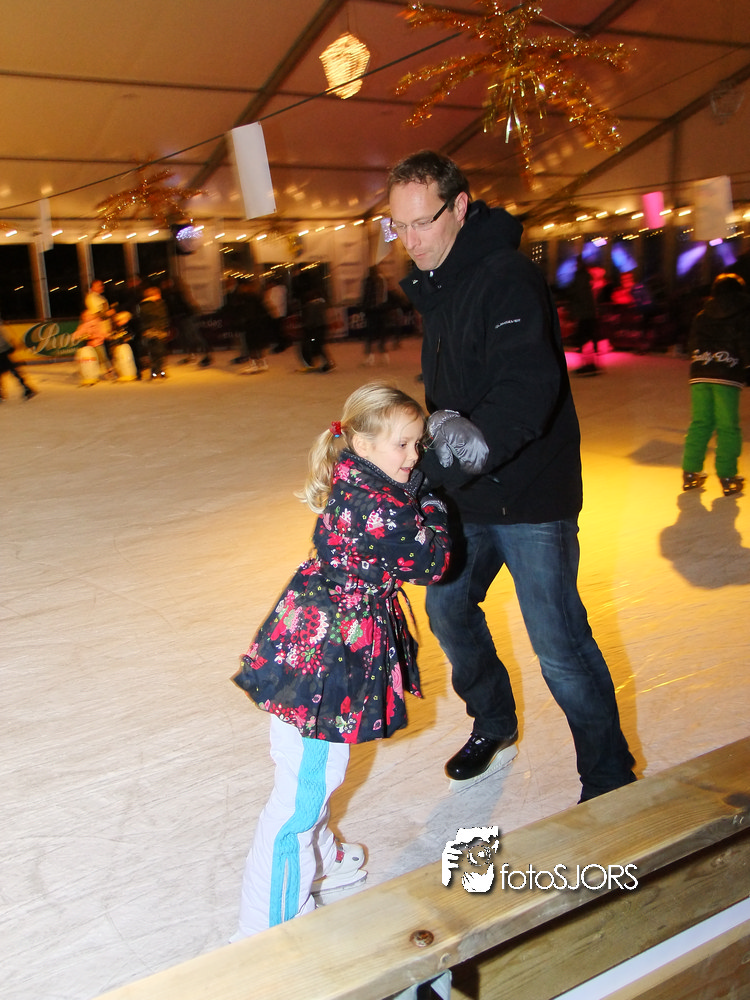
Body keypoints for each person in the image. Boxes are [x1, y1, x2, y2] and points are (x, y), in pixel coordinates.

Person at [387, 149, 636, 803]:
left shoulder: (505, 278)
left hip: (531, 495)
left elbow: (528, 388)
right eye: (398, 226)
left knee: (558, 643)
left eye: (422, 222)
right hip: (470, 495)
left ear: (459, 207)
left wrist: (450, 458)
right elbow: (453, 397)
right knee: (447, 608)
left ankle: (609, 778)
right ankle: (494, 722)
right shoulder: (439, 284)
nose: (411, 240)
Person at [230, 383, 451, 938]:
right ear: (363, 443)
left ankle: (321, 859)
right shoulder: (379, 505)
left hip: (323, 636)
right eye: (403, 445)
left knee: (314, 769)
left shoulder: (357, 476)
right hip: (330, 655)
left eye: (418, 445)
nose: (414, 456)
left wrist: (416, 487)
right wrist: (436, 502)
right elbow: (432, 560)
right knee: (302, 791)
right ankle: (267, 925)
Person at [681, 272, 750, 496]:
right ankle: (727, 475)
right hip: (727, 374)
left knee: (700, 422)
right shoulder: (744, 313)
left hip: (700, 372)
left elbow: (692, 344)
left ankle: (690, 471)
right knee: (727, 425)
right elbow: (745, 343)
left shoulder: (702, 315)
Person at [567, 257, 602, 376]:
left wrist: (574, 312)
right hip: (590, 313)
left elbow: (578, 296)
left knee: (583, 339)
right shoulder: (587, 278)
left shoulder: (579, 278)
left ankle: (587, 364)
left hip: (584, 314)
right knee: (589, 338)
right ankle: (591, 363)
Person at [140, 285, 170, 379]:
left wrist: (164, 326)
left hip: (160, 331)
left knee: (161, 351)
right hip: (151, 331)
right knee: (156, 351)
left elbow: (163, 316)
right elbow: (149, 317)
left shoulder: (160, 304)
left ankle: (159, 370)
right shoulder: (146, 305)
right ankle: (155, 370)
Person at [0, 321, 36, 400]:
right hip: (3, 349)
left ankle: (27, 388)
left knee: (11, 368)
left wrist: (8, 345)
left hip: (2, 350)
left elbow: (3, 334)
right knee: (11, 369)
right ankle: (26, 388)